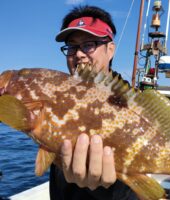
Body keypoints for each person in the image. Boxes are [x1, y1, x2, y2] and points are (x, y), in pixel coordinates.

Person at [50, 5, 138, 200]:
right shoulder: (62, 100)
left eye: (89, 44)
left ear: (110, 49)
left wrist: (107, 189)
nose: (79, 54)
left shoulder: (131, 106)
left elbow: (134, 185)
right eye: (72, 46)